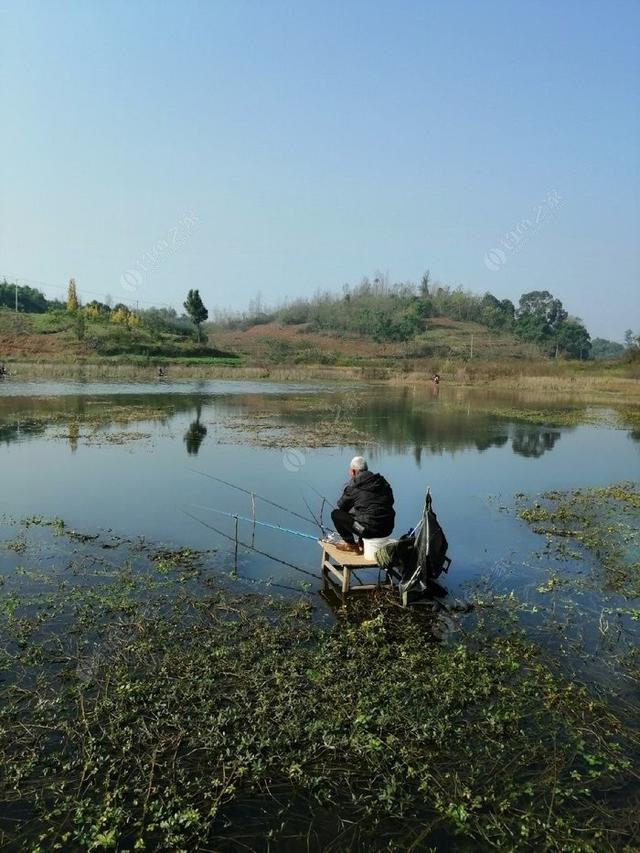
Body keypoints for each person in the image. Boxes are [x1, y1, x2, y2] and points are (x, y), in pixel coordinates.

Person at [330, 456, 395, 553]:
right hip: (387, 529)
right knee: (365, 511)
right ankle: (362, 542)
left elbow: (342, 507)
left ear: (354, 471)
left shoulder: (354, 486)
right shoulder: (382, 482)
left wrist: (348, 487)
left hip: (368, 531)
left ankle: (351, 544)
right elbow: (389, 502)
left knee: (336, 514)